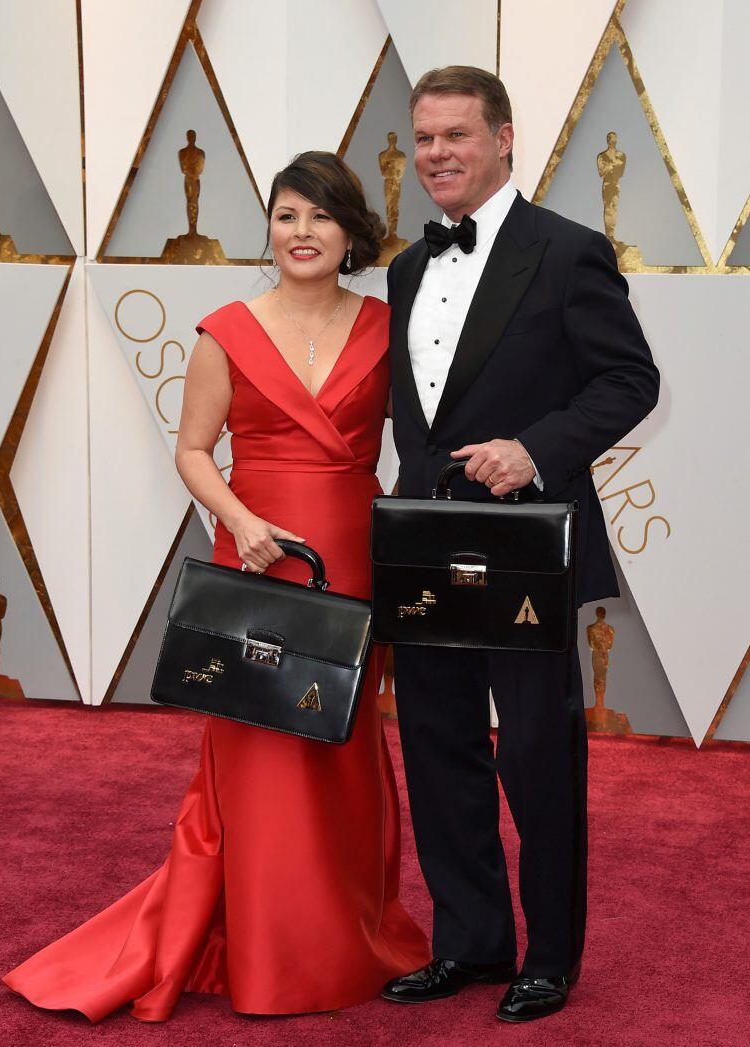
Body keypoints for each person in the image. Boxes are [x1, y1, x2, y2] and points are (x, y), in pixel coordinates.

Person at [2, 151, 430, 1022]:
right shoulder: (224, 330)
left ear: (350, 232)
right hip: (259, 555)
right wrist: (241, 523)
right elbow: (193, 450)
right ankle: (270, 947)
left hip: (351, 556)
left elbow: (423, 437)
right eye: (285, 216)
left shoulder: (390, 328)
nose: (301, 232)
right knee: (260, 751)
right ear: (268, 229)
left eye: (319, 216)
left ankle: (344, 934)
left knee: (341, 749)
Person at [380, 67, 659, 1023]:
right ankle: (470, 942)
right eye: (423, 138)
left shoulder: (571, 251)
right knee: (437, 746)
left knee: (538, 755)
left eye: (456, 135)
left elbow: (630, 381)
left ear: (504, 139)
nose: (438, 155)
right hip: (425, 543)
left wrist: (534, 450)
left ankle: (551, 955)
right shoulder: (407, 267)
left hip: (528, 544)